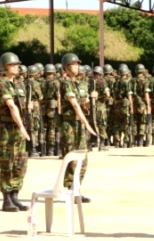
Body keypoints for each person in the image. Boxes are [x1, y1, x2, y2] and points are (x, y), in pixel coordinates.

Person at [0, 52, 32, 212]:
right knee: (7, 162)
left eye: (17, 64)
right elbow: (11, 105)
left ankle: (15, 195)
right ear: (5, 66)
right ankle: (7, 198)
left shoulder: (19, 84)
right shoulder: (0, 83)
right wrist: (22, 126)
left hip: (18, 127)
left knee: (20, 163)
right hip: (6, 129)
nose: (16, 67)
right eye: (13, 64)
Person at [59, 53, 97, 202]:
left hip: (79, 123)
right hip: (70, 124)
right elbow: (74, 104)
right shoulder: (65, 83)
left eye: (77, 64)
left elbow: (83, 104)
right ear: (66, 67)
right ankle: (70, 189)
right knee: (72, 157)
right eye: (73, 64)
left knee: (83, 157)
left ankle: (77, 189)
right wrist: (86, 123)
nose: (77, 66)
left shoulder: (81, 83)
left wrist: (92, 99)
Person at [42, 63, 61, 156]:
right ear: (54, 72)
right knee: (52, 128)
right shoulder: (55, 82)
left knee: (44, 127)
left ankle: (43, 148)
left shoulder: (41, 81)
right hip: (52, 107)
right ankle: (51, 149)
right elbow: (58, 96)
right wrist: (60, 108)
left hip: (42, 106)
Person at [131, 64, 151, 147]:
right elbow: (146, 93)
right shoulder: (145, 81)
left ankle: (135, 139)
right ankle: (140, 140)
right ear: (143, 71)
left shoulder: (132, 80)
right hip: (142, 103)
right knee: (142, 121)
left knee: (135, 121)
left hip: (134, 102)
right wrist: (148, 104)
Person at [92, 65, 111, 151]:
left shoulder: (88, 81)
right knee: (102, 124)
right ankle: (102, 145)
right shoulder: (101, 82)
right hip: (100, 105)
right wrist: (103, 99)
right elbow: (107, 94)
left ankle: (90, 144)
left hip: (90, 105)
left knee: (92, 123)